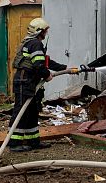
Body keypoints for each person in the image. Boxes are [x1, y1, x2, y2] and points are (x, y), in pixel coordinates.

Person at [7, 17, 67, 152]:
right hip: (25, 81)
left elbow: (46, 62)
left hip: (30, 82)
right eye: (45, 30)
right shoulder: (35, 44)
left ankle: (33, 141)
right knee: (21, 112)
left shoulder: (33, 44)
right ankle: (14, 143)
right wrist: (47, 75)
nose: (46, 33)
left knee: (32, 112)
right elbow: (39, 65)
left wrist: (66, 68)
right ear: (39, 31)